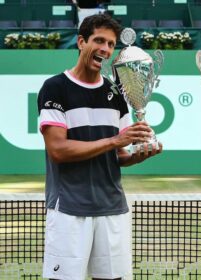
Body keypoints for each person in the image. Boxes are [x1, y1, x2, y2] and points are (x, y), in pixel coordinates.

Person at [37, 14, 162, 280]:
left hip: (112, 209)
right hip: (69, 210)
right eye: (99, 41)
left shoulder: (117, 93)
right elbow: (58, 150)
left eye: (111, 44)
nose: (105, 49)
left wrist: (141, 153)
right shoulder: (54, 88)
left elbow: (120, 156)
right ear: (82, 42)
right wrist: (115, 140)